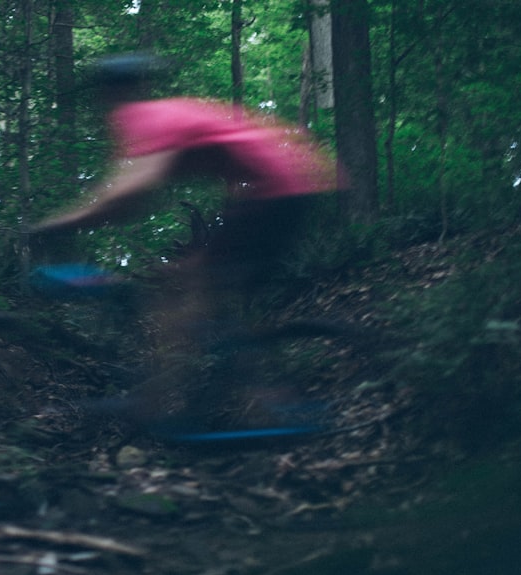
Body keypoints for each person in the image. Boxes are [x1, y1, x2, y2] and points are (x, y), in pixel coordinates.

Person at [30, 52, 343, 429]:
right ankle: (253, 402)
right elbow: (135, 200)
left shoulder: (142, 116)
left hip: (277, 190)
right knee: (201, 293)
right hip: (282, 185)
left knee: (191, 296)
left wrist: (59, 224)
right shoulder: (165, 115)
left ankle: (164, 406)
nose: (106, 102)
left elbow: (131, 192)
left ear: (115, 91)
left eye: (106, 92)